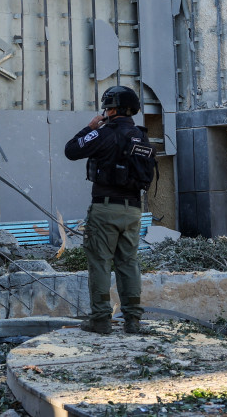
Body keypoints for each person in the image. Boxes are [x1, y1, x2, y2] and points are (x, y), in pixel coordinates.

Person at [63, 85, 152, 334]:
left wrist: (91, 127)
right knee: (129, 263)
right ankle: (133, 321)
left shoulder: (104, 134)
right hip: (134, 210)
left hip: (105, 209)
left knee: (101, 263)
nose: (106, 111)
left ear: (112, 110)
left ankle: (101, 320)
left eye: (108, 107)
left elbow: (71, 150)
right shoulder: (140, 136)